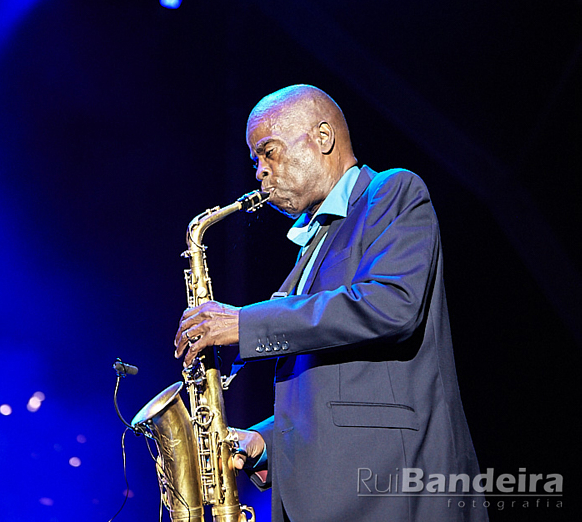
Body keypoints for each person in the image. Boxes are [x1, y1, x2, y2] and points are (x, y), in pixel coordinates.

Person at [175, 84, 486, 521]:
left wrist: (246, 324)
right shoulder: (313, 241)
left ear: (323, 138)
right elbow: (332, 387)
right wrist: (265, 442)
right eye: (255, 161)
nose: (260, 173)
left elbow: (391, 304)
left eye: (269, 152)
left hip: (391, 491)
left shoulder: (392, 192)